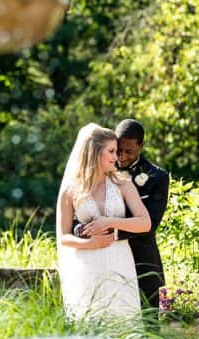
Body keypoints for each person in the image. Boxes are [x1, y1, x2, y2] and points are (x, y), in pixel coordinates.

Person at [56, 123, 151, 320]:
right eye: (111, 151)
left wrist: (109, 222)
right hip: (87, 264)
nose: (116, 157)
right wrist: (89, 243)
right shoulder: (71, 190)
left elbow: (145, 223)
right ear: (94, 152)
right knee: (90, 322)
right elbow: (64, 237)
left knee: (123, 321)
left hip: (119, 260)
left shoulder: (123, 184)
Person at [114, 119, 170, 308]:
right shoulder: (104, 170)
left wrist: (112, 233)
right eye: (118, 150)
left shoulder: (158, 177)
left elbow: (151, 223)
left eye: (128, 151)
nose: (121, 157)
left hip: (142, 257)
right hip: (108, 256)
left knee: (148, 320)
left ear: (141, 146)